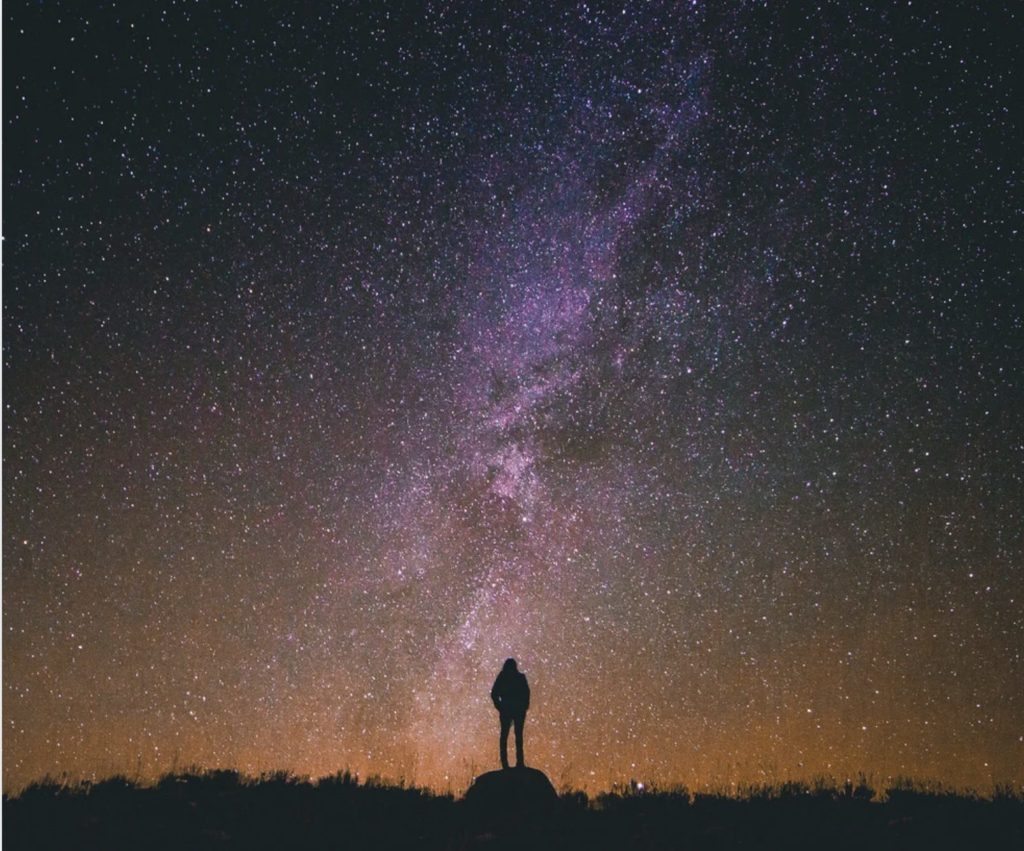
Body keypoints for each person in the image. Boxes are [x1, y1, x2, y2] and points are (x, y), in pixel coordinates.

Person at [490, 658, 530, 769]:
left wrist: (500, 707)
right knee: (514, 736)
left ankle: (510, 764)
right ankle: (515, 763)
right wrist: (500, 707)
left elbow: (494, 694)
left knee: (509, 736)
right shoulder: (517, 678)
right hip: (513, 710)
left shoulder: (505, 677)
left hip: (511, 710)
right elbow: (526, 694)